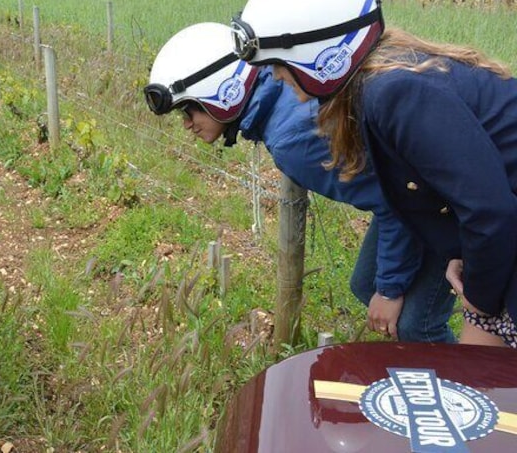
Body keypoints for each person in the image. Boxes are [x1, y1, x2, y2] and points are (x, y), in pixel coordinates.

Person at [230, 0, 517, 348]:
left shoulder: (392, 95)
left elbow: (490, 211)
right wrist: (459, 252)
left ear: (320, 55)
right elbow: (452, 188)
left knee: (484, 387)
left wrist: (481, 309)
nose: (277, 77)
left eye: (279, 65)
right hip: (502, 238)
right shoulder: (381, 83)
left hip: (505, 234)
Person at [143, 22, 455, 343]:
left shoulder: (291, 141)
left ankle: (470, 383)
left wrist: (390, 292)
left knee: (417, 324)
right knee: (366, 285)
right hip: (418, 182)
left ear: (223, 89)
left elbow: (396, 200)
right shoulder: (282, 97)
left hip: (440, 192)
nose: (186, 125)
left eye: (189, 110)